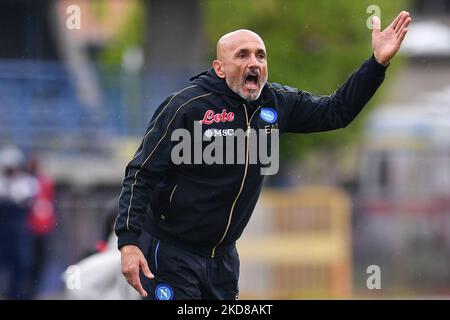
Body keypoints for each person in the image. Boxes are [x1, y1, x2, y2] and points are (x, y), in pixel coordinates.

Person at [115, 12, 412, 300]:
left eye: (260, 55)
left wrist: (376, 64)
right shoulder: (186, 107)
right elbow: (141, 173)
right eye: (242, 55)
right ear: (219, 68)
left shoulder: (277, 102)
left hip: (223, 260)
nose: (254, 62)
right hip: (172, 253)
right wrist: (128, 242)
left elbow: (337, 111)